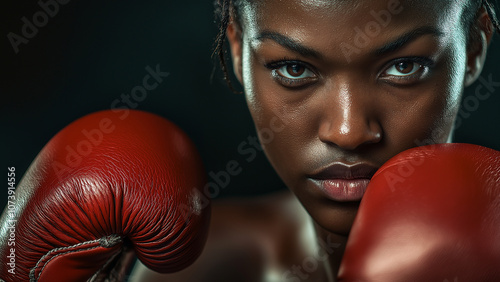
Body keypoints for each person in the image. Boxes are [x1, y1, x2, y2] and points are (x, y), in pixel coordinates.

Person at [131, 0, 500, 281]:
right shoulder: (201, 268)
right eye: (294, 68)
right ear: (239, 48)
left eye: (404, 66)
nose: (348, 132)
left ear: (474, 48)